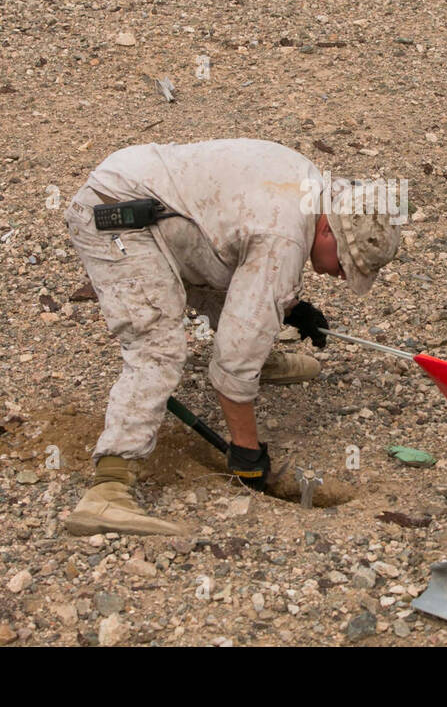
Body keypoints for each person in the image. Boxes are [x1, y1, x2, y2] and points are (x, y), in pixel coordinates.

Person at [61, 138, 400, 534]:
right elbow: (234, 360)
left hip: (162, 209)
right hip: (118, 220)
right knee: (158, 347)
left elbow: (237, 249)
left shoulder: (309, 186)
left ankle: (261, 360)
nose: (342, 276)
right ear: (328, 231)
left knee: (246, 301)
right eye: (346, 265)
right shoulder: (285, 236)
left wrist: (290, 311)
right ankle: (109, 487)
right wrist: (246, 452)